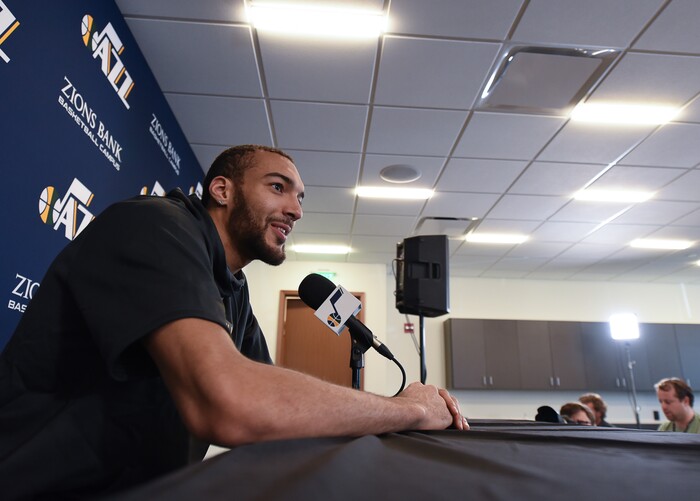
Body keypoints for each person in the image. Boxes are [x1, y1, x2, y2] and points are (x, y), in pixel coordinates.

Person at [0, 145, 468, 498]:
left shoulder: (232, 286)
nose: (296, 210)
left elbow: (275, 406)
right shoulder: (153, 227)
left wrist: (394, 418)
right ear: (222, 190)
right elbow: (229, 401)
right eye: (278, 187)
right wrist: (407, 410)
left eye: (299, 197)